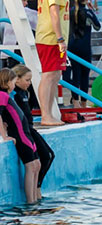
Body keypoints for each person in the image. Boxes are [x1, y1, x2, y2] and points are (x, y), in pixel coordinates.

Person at [1, 68, 47, 204]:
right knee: (30, 166)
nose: (14, 85)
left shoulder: (7, 96)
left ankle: (35, 200)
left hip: (26, 133)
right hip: (20, 135)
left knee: (37, 164)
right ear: (7, 82)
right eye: (14, 82)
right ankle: (30, 202)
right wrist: (4, 136)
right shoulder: (2, 95)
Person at [35, 0, 70, 126]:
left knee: (55, 75)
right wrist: (60, 38)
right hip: (50, 38)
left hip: (49, 37)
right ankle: (45, 114)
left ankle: (48, 114)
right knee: (49, 76)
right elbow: (54, 12)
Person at [10, 65, 53, 197]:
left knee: (48, 156)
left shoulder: (25, 92)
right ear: (16, 80)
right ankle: (34, 193)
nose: (29, 83)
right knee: (40, 160)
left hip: (30, 129)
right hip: (23, 131)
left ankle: (37, 188)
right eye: (27, 80)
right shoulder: (13, 94)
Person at [65, 0, 100, 108]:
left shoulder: (70, 11)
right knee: (85, 74)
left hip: (72, 46)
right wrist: (93, 11)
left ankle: (75, 102)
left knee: (75, 74)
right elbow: (97, 26)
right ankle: (84, 103)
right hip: (84, 47)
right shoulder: (88, 12)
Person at [1, 0, 38, 68]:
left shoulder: (11, 11)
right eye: (23, 0)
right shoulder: (23, 12)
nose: (26, 3)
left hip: (12, 48)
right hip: (14, 48)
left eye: (26, 1)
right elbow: (37, 19)